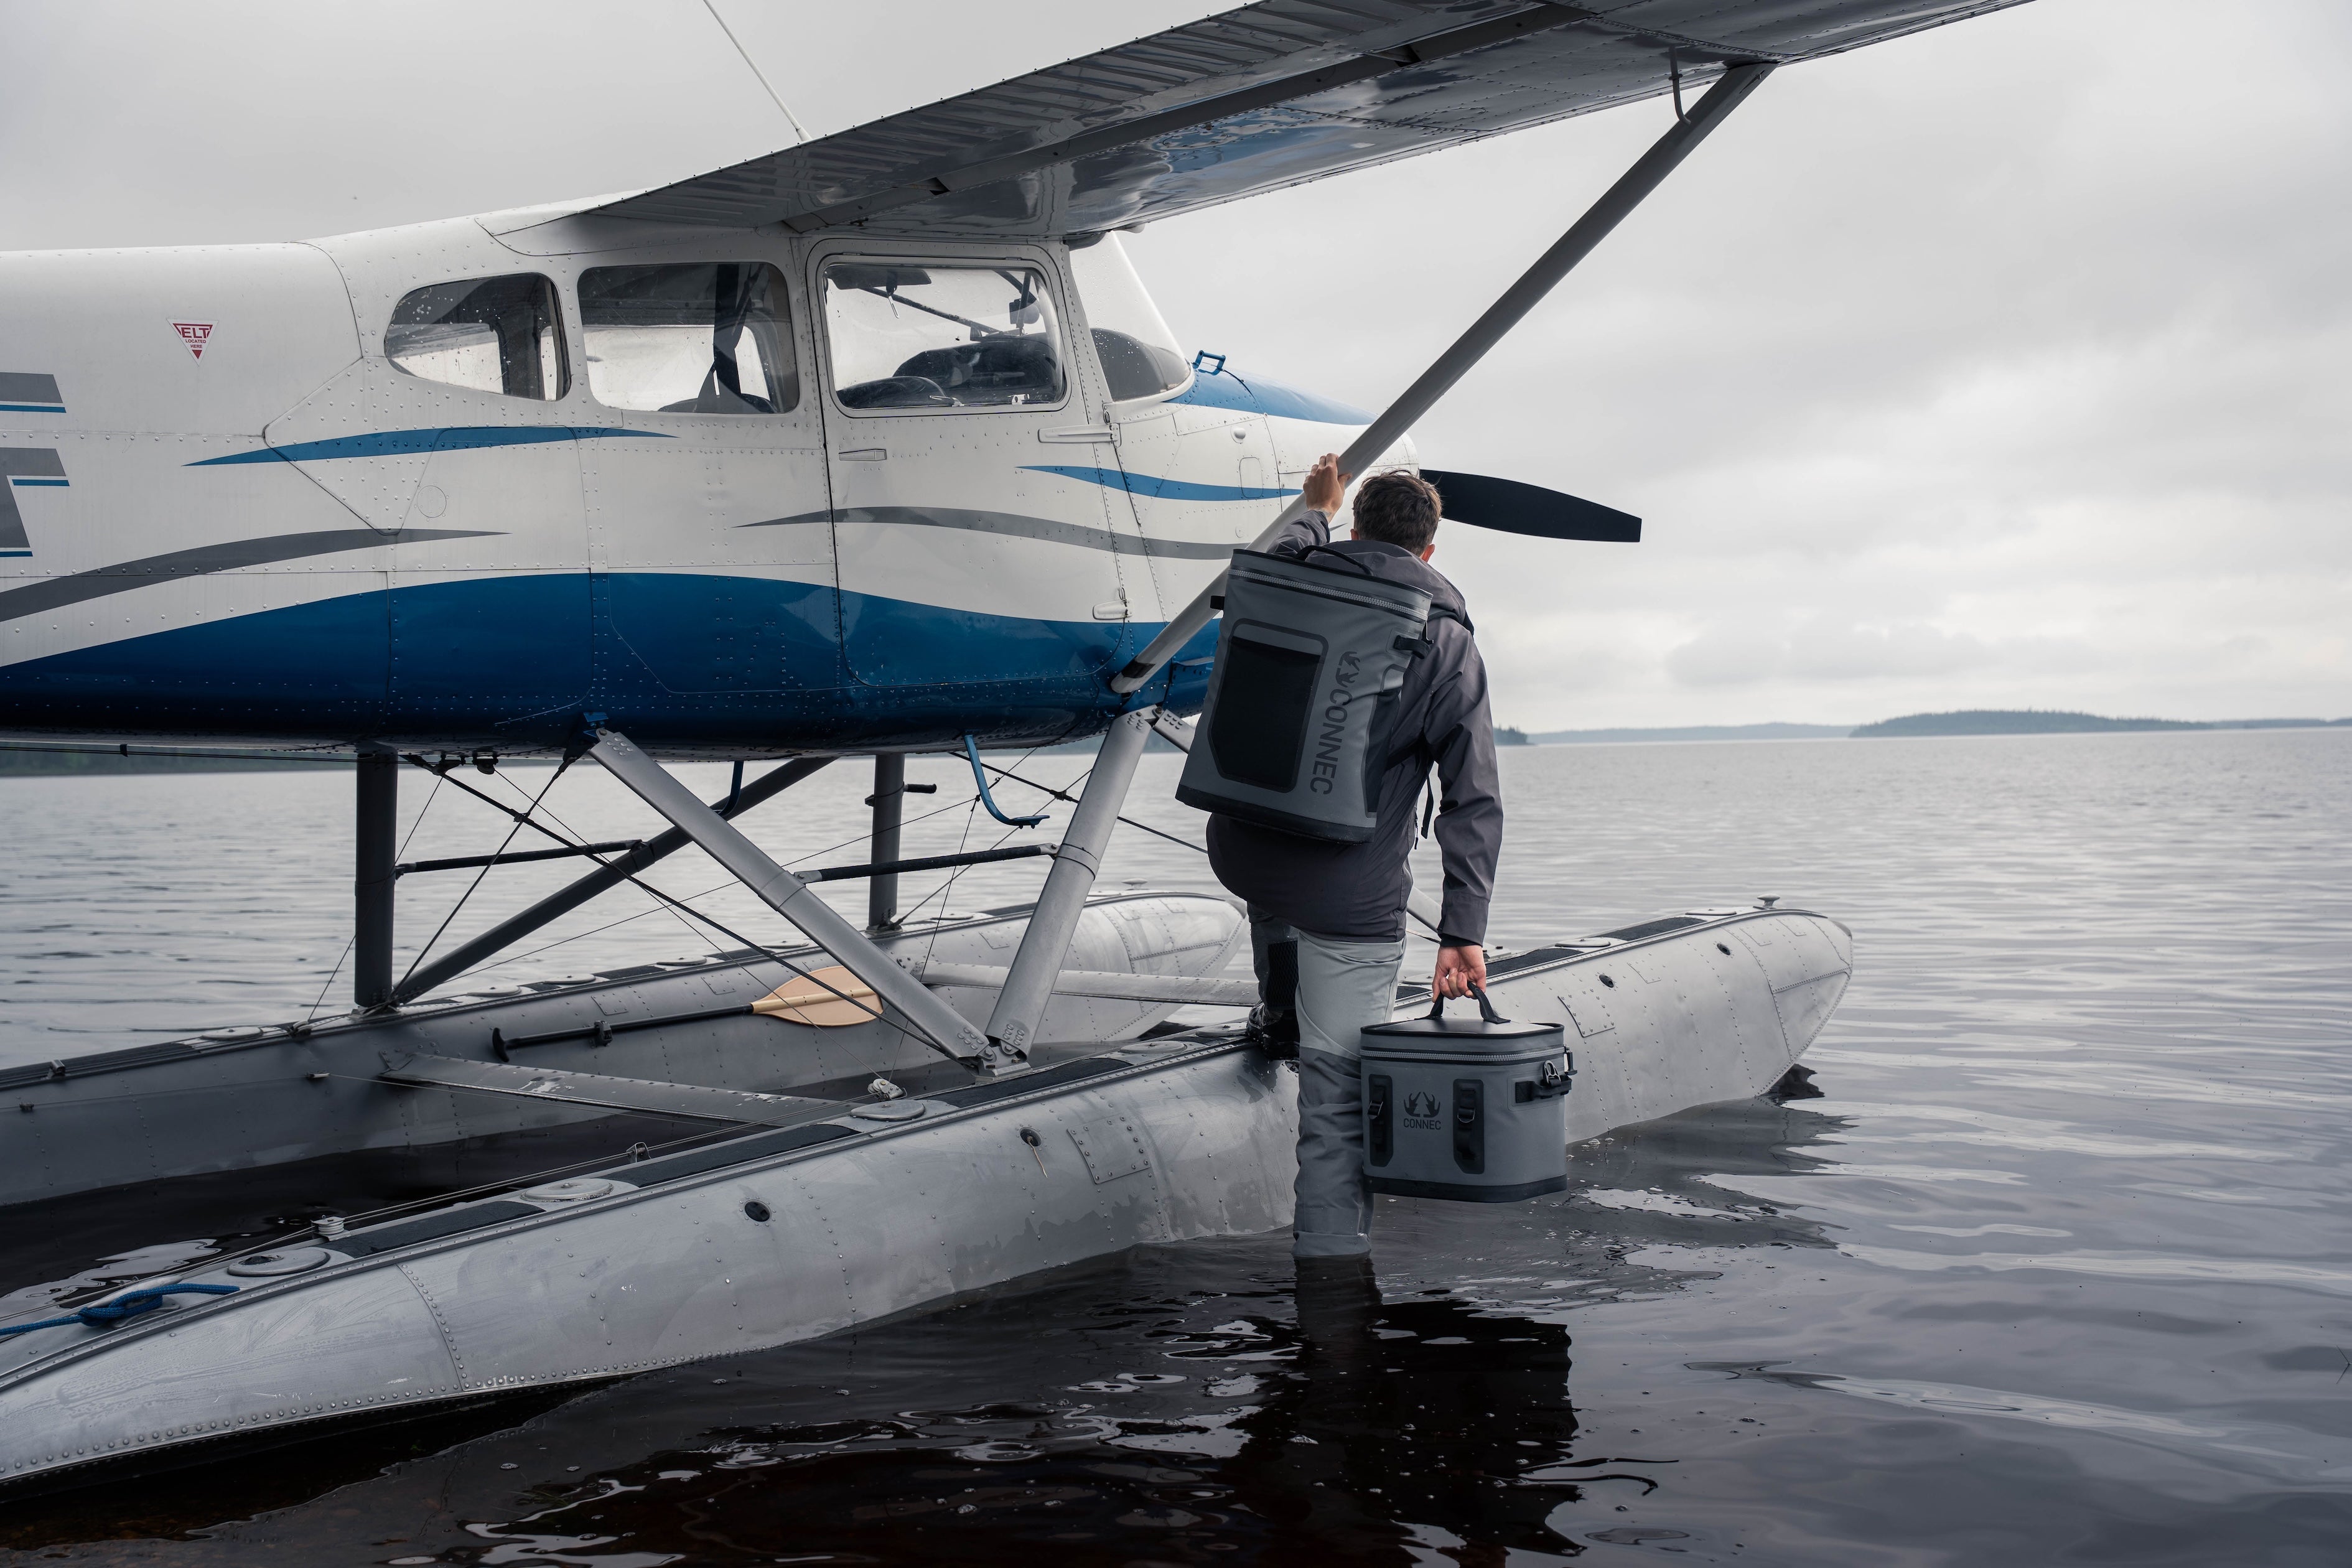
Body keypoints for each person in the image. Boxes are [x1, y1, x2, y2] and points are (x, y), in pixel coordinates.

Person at [1204, 452, 1502, 1259]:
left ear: (1355, 529)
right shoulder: (1448, 641)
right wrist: (1462, 930)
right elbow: (1472, 799)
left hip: (1242, 850)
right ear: (1429, 553)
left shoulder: (1284, 578)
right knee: (1337, 1111)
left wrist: (1316, 508)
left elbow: (1285, 546)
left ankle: (1280, 1007)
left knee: (1281, 878)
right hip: (1347, 895)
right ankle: (1331, 1294)